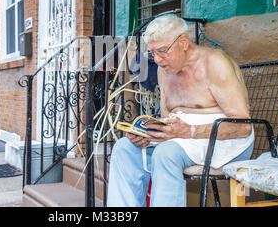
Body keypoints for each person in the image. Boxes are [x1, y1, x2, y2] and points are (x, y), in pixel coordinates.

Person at [107, 14, 254, 207]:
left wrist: (191, 131)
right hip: (180, 140)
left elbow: (243, 126)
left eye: (162, 51)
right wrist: (148, 134)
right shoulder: (164, 71)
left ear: (183, 42)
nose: (157, 60)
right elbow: (167, 120)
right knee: (124, 148)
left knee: (167, 153)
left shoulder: (214, 63)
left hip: (225, 140)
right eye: (152, 53)